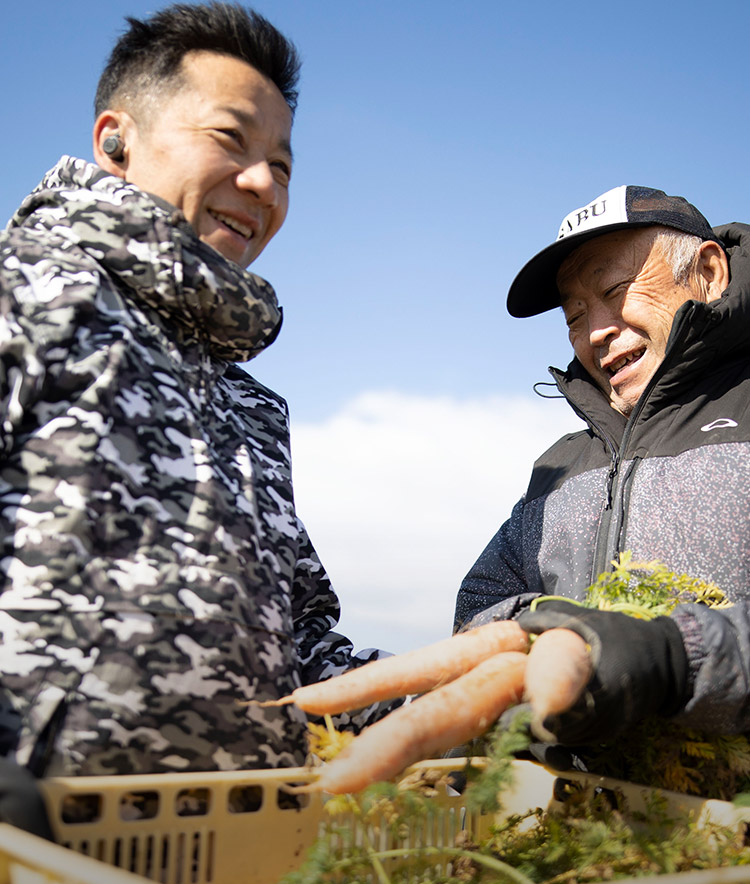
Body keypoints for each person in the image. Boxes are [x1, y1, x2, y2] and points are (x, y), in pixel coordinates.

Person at [0, 2, 391, 778]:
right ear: (117, 141)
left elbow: (301, 641)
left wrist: (471, 693)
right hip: (40, 867)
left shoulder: (248, 406)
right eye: (228, 139)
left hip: (231, 857)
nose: (260, 183)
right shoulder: (29, 292)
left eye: (282, 166)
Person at [454, 184, 750, 746]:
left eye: (616, 289)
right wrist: (552, 634)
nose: (595, 332)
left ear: (709, 273)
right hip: (586, 816)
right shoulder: (562, 465)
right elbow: (480, 604)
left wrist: (674, 656)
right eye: (575, 315)